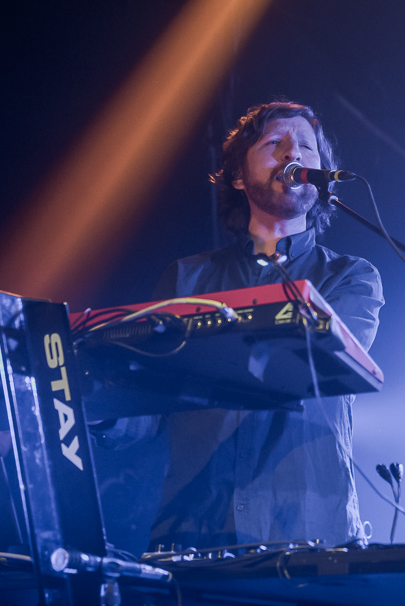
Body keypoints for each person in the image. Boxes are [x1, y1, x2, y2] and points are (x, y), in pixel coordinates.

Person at [148, 101, 383, 550]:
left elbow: (318, 359)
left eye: (307, 147)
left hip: (309, 528)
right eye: (274, 143)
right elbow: (151, 399)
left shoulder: (351, 277)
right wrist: (85, 403)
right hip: (195, 528)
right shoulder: (186, 279)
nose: (293, 153)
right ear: (238, 176)